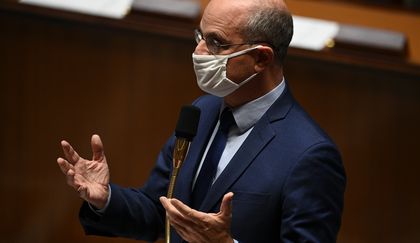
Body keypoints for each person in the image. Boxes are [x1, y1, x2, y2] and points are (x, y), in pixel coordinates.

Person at [57, 0, 346, 242]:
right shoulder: (203, 111)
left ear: (261, 58)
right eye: (201, 36)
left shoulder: (310, 155)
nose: (199, 52)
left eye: (216, 43)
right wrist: (105, 198)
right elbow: (161, 211)